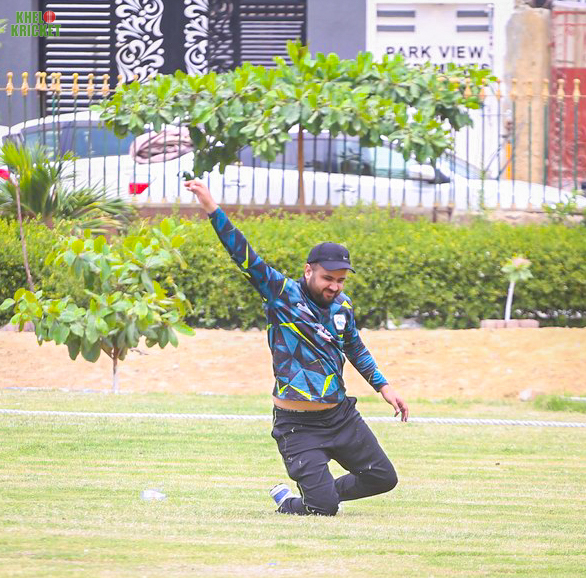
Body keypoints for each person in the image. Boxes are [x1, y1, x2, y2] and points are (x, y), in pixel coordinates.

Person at [184, 179, 409, 516]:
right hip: (297, 425)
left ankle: (319, 494)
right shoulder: (281, 294)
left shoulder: (343, 306)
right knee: (324, 510)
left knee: (383, 477)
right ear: (308, 271)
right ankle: (301, 500)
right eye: (328, 278)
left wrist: (384, 387)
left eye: (340, 280)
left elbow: (355, 348)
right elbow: (244, 256)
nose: (334, 286)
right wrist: (211, 208)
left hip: (340, 416)